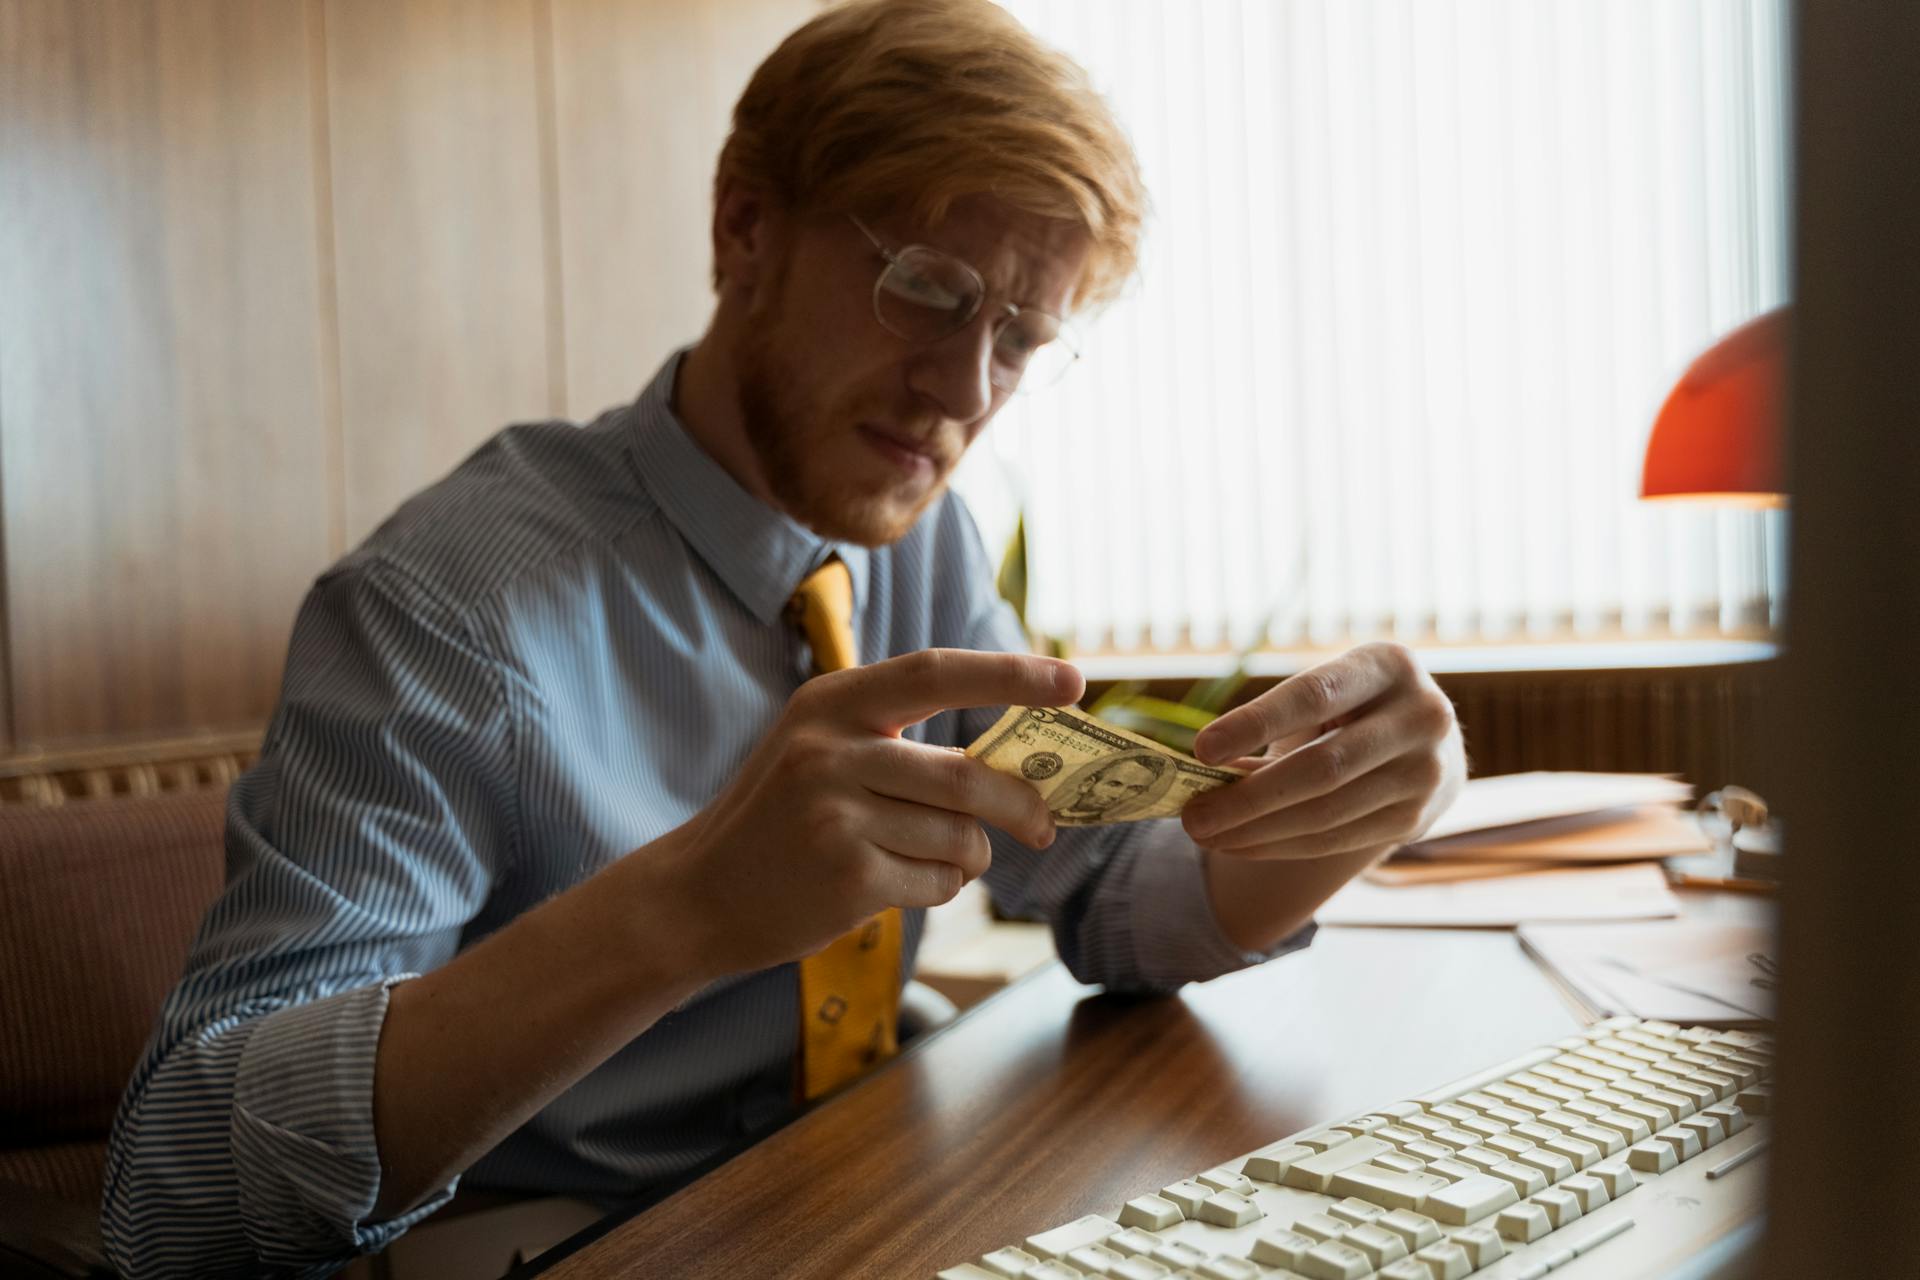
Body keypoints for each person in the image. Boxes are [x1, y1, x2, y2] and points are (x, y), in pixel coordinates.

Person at [101, 1, 1466, 1275]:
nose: (964, 390)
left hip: (864, 1194)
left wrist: (1329, 826)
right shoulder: (448, 602)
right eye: (929, 289)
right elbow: (176, 1188)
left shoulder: (911, 536)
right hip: (569, 1238)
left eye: (1021, 337)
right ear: (744, 230)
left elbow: (1108, 898)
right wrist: (687, 912)